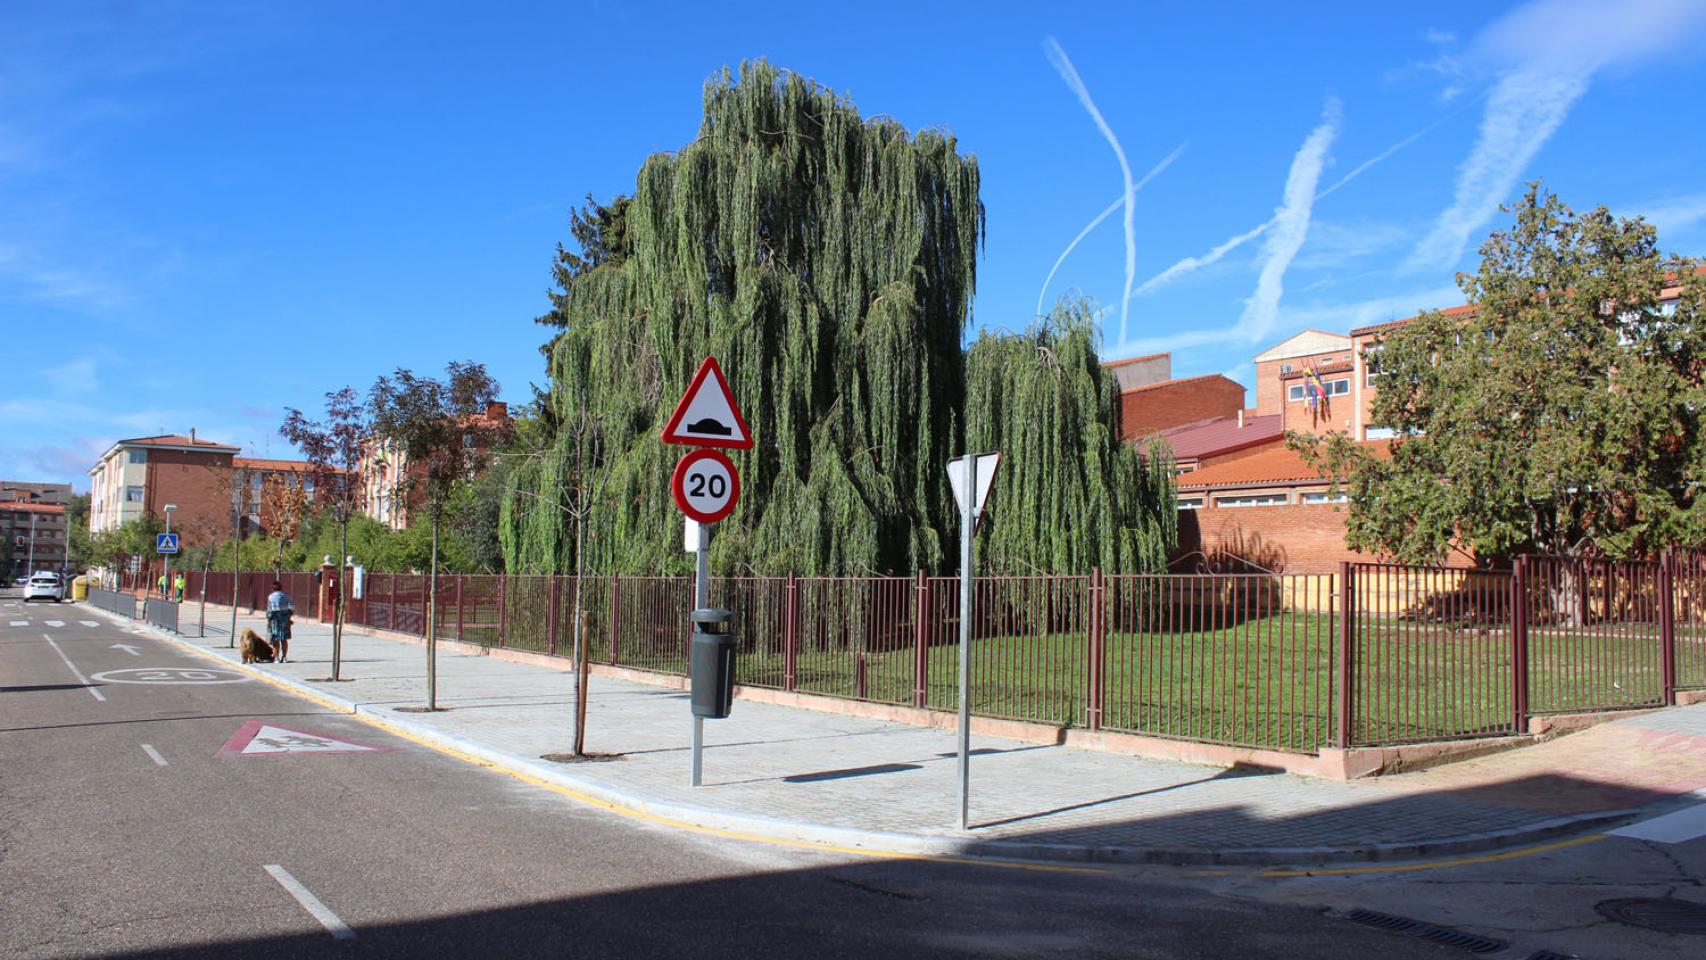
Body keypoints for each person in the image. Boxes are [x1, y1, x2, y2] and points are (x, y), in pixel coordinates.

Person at [266, 580, 294, 663]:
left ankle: (277, 657)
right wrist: (288, 616)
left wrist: (268, 619)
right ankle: (284, 657)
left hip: (275, 620)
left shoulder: (270, 597)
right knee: (284, 639)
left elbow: (269, 610)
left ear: (272, 588)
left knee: (276, 639)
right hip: (285, 620)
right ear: (281, 587)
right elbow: (292, 607)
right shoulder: (286, 596)